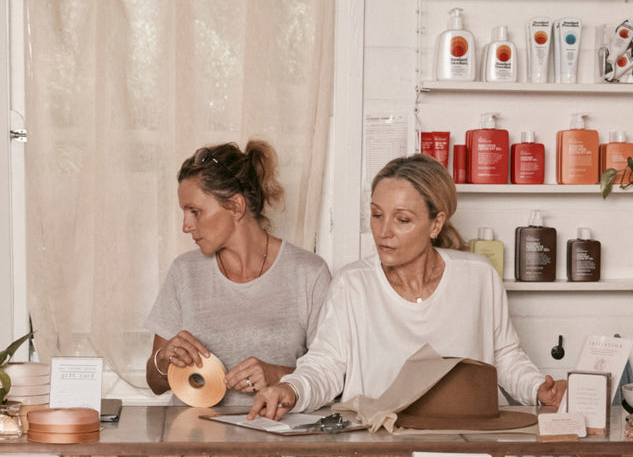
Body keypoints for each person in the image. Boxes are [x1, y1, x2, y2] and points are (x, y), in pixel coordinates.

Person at [249, 153, 567, 420]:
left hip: (463, 442)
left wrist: (539, 389)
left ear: (436, 224)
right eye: (376, 215)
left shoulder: (478, 277)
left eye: (402, 220)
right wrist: (292, 389)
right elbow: (326, 364)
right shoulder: (354, 283)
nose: (383, 232)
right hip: (377, 446)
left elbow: (505, 357)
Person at [145, 140, 331, 406]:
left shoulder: (309, 273)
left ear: (236, 206)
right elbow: (155, 383)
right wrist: (163, 360)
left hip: (278, 442)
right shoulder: (184, 272)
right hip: (195, 441)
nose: (186, 226)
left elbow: (332, 379)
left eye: (195, 212)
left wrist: (276, 374)